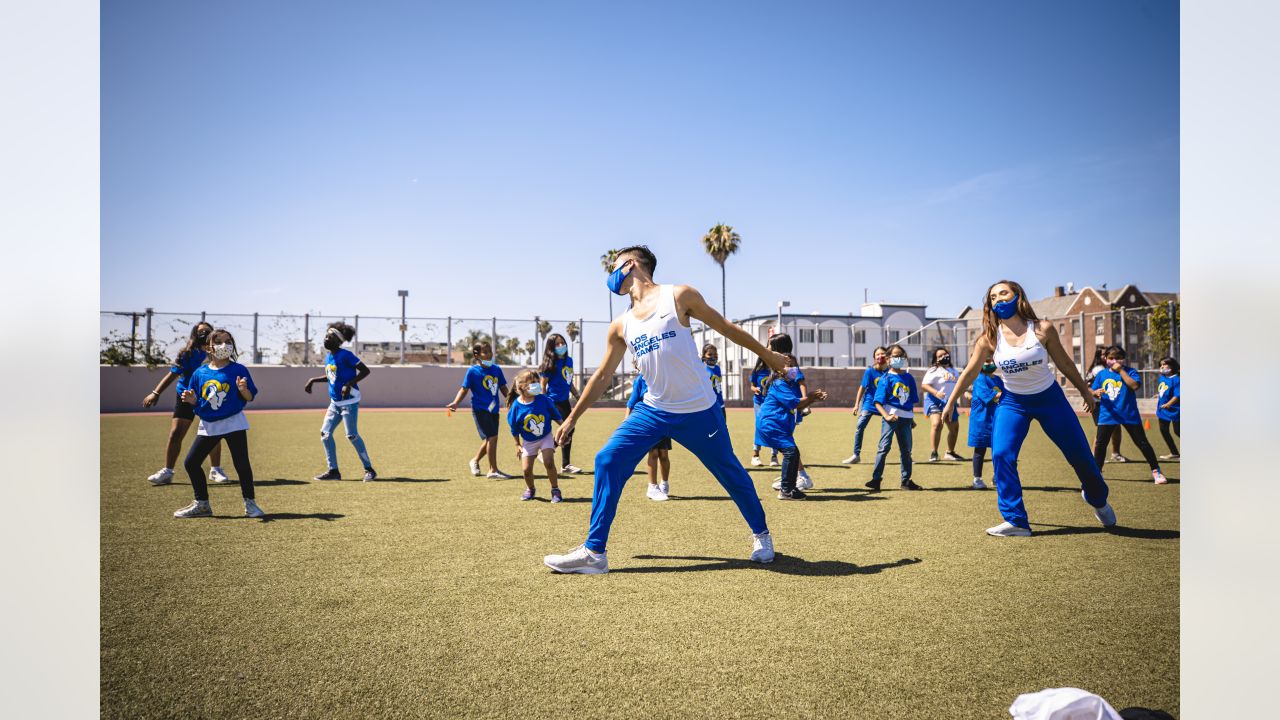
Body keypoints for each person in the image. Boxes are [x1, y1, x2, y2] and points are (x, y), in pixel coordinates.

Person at [543, 245, 787, 574]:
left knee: (729, 471)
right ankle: (594, 553)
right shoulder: (621, 325)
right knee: (607, 459)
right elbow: (602, 376)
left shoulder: (679, 296)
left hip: (701, 410)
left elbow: (726, 329)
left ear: (631, 265)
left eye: (615, 267)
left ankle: (762, 536)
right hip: (653, 411)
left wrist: (768, 355)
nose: (611, 275)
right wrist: (572, 417)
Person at [944, 280, 1116, 537]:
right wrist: (950, 402)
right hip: (1013, 402)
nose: (999, 300)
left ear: (1018, 296)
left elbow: (1065, 364)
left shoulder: (1042, 329)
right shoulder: (989, 339)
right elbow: (969, 373)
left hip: (1050, 400)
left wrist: (1085, 390)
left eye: (1004, 294)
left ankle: (1097, 498)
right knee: (1002, 455)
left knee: (1080, 455)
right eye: (993, 297)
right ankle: (1016, 521)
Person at [173, 329, 265, 519]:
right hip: (209, 425)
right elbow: (198, 401)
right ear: (209, 347)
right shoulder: (200, 373)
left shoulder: (238, 369)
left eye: (228, 341)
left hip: (234, 423)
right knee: (191, 463)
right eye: (220, 342)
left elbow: (250, 397)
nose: (225, 346)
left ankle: (251, 504)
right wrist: (191, 400)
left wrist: (243, 390)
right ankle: (202, 504)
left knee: (242, 465)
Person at [142, 321, 229, 486]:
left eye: (208, 331)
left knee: (213, 434)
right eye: (201, 331)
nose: (205, 334)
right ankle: (167, 471)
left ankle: (215, 470)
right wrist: (155, 393)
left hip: (208, 397)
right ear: (195, 335)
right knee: (176, 433)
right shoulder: (187, 354)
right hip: (185, 395)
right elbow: (172, 375)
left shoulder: (218, 353)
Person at [305, 322, 377, 482]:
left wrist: (349, 384)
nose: (326, 339)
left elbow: (365, 370)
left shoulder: (346, 355)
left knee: (351, 435)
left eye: (330, 337)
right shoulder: (329, 357)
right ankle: (333, 471)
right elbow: (332, 377)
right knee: (325, 434)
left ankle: (369, 470)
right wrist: (313, 380)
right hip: (335, 402)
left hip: (349, 401)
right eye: (326, 336)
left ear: (338, 340)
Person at [754, 353, 828, 499]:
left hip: (777, 425)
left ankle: (789, 486)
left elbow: (797, 403)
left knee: (793, 453)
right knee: (791, 453)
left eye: (795, 365)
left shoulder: (785, 383)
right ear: (779, 368)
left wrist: (812, 399)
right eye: (789, 365)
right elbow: (796, 403)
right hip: (771, 424)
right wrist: (811, 397)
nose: (793, 368)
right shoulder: (779, 384)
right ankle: (787, 489)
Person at [1091, 346, 1167, 484]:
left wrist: (1120, 371)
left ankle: (1156, 471)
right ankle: (1097, 474)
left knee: (1142, 443)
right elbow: (1090, 388)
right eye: (1111, 358)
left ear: (1124, 359)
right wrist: (1094, 393)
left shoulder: (1130, 372)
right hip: (1107, 415)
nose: (1115, 361)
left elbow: (1134, 386)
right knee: (1101, 445)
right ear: (1105, 359)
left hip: (1129, 415)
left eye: (1119, 358)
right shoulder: (1102, 374)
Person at [446, 342, 515, 479]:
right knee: (492, 437)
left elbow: (503, 387)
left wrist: (512, 402)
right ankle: (493, 470)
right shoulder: (472, 371)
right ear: (476, 355)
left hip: (494, 410)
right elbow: (464, 389)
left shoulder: (496, 369)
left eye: (490, 351)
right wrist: (456, 402)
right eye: (485, 352)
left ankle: (475, 460)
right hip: (480, 409)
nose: (489, 354)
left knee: (490, 439)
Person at [867, 345, 922, 491]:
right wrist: (887, 416)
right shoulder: (885, 378)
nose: (899, 358)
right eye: (895, 355)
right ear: (889, 358)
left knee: (906, 451)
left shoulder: (908, 377)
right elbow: (877, 402)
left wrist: (912, 418)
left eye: (901, 355)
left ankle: (906, 481)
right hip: (891, 419)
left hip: (906, 419)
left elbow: (910, 400)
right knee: (883, 448)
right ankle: (876, 479)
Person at [506, 370, 564, 502]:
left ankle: (555, 490)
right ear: (521, 386)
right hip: (528, 441)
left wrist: (563, 427)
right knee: (526, 470)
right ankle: (530, 489)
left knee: (549, 462)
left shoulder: (544, 399)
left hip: (545, 437)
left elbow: (555, 414)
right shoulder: (516, 406)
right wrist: (517, 444)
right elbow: (514, 428)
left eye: (537, 382)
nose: (537, 384)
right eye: (533, 383)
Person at [539, 333, 583, 475]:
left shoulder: (569, 361)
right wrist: (544, 401)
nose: (560, 346)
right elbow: (543, 385)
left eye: (562, 343)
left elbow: (568, 381)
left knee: (570, 429)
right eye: (556, 344)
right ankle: (561, 461)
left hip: (565, 400)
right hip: (553, 401)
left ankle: (564, 463)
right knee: (567, 428)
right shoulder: (550, 363)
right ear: (551, 347)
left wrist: (577, 395)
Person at [626, 368, 671, 501]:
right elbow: (631, 403)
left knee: (664, 454)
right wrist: (626, 422)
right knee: (654, 453)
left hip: (664, 420)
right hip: (648, 421)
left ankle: (664, 483)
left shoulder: (665, 377)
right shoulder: (641, 379)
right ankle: (652, 486)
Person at [842, 346, 888, 465]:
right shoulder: (869, 371)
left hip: (884, 404)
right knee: (860, 425)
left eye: (882, 354)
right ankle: (856, 455)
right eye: (877, 355)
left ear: (887, 356)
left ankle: (906, 455)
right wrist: (856, 405)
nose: (880, 356)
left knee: (894, 429)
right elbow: (862, 388)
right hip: (869, 404)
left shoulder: (891, 372)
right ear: (874, 358)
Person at [964, 358, 1005, 490]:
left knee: (998, 450)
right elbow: (991, 396)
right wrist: (1007, 394)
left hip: (997, 420)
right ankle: (977, 479)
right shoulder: (980, 379)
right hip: (981, 420)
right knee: (980, 450)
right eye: (986, 362)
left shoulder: (998, 380)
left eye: (992, 361)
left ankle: (997, 477)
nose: (989, 364)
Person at [922, 346, 965, 462]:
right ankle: (934, 453)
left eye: (945, 354)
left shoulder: (954, 371)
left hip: (949, 403)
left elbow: (958, 386)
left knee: (954, 428)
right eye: (940, 356)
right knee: (937, 424)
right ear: (936, 359)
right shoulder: (933, 370)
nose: (943, 357)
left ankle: (950, 453)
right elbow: (924, 385)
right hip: (934, 401)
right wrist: (936, 393)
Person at [1086, 346, 1127, 463]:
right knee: (1102, 430)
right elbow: (1088, 386)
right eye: (1109, 355)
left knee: (1116, 427)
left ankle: (1116, 453)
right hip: (1100, 404)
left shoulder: (1107, 368)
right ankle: (1095, 456)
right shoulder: (1099, 369)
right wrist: (1092, 394)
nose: (1114, 358)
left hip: (1110, 404)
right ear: (1103, 356)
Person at [748, 357, 777, 467]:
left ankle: (774, 456)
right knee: (759, 427)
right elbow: (752, 386)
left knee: (773, 427)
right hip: (759, 403)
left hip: (772, 403)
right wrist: (755, 389)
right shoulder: (757, 371)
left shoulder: (775, 371)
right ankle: (755, 455)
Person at [1156, 357, 1180, 459]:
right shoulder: (1162, 377)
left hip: (1175, 410)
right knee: (1164, 431)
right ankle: (1174, 452)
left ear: (1172, 366)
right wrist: (1160, 395)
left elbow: (1177, 395)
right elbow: (1163, 390)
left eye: (1165, 364)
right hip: (1163, 410)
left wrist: (1169, 404)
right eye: (1161, 364)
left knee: (1178, 431)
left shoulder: (1177, 379)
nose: (1162, 366)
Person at [703, 343, 727, 424]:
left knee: (723, 429)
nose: (713, 356)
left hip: (720, 404)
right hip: (709, 406)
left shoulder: (717, 368)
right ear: (704, 356)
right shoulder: (702, 368)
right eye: (710, 354)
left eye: (715, 354)